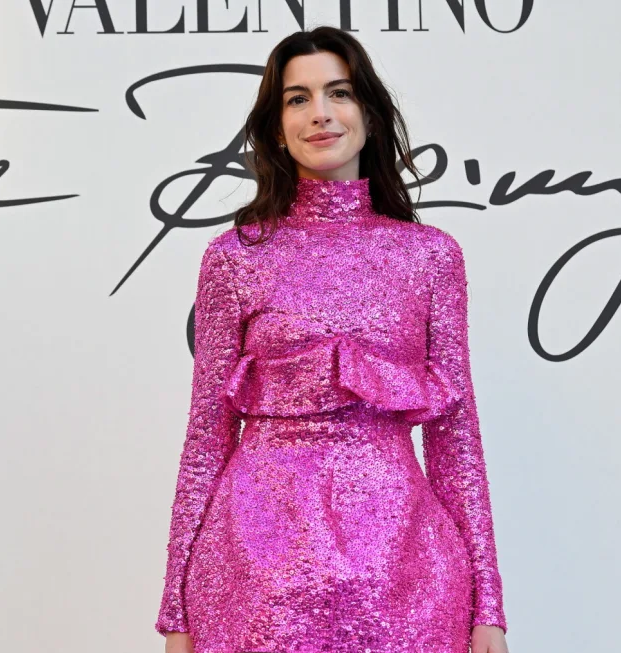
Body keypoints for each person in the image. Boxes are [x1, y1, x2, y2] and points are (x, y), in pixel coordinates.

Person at [155, 26, 510, 653]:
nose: (319, 113)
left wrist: (489, 610)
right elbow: (206, 436)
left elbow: (456, 440)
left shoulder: (431, 257)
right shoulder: (235, 257)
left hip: (407, 578)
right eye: (297, 99)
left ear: (369, 115)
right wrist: (177, 614)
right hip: (253, 577)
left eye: (338, 93)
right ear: (275, 126)